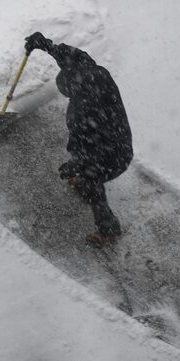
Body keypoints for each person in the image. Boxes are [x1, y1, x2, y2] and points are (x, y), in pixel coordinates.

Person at [24, 31, 133, 247]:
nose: (68, 98)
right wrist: (45, 45)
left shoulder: (84, 114)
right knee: (84, 165)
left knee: (92, 179)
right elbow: (72, 55)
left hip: (115, 156)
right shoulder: (90, 70)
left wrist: (75, 166)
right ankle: (84, 180)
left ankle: (108, 231)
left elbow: (92, 153)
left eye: (69, 94)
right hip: (119, 141)